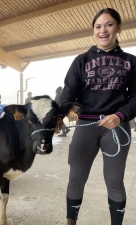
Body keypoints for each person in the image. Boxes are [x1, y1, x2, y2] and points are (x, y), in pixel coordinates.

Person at [57, 8, 136, 225]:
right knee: (76, 177)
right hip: (85, 125)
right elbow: (68, 93)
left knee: (114, 181)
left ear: (118, 27)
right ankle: (71, 222)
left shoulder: (131, 61)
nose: (103, 30)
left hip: (116, 127)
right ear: (93, 31)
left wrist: (120, 115)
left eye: (109, 24)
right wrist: (59, 116)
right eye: (98, 26)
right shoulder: (81, 61)